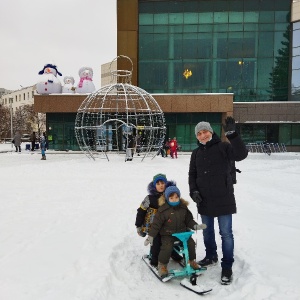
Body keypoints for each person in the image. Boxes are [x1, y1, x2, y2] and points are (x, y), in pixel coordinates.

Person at [188, 117, 248, 284]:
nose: (202, 135)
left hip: (224, 198)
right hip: (204, 200)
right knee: (207, 231)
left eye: (205, 131)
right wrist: (193, 191)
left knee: (226, 234)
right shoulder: (196, 153)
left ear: (211, 132)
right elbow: (192, 175)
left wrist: (232, 135)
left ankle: (227, 267)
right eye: (199, 133)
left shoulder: (224, 147)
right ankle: (211, 256)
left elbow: (241, 154)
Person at [144, 185, 207, 278]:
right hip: (168, 234)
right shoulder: (163, 210)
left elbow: (189, 220)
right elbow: (156, 225)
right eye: (171, 198)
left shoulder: (183, 208)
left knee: (191, 243)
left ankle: (191, 261)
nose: (174, 199)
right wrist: (151, 236)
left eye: (176, 197)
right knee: (167, 246)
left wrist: (195, 226)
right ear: (167, 198)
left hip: (182, 233)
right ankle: (162, 265)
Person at [135, 174, 182, 268]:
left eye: (162, 183)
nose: (161, 185)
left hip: (168, 225)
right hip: (153, 226)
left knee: (173, 237)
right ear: (154, 185)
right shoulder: (149, 198)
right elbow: (141, 211)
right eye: (158, 183)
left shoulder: (170, 195)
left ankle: (173, 252)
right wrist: (138, 225)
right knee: (157, 240)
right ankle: (155, 258)